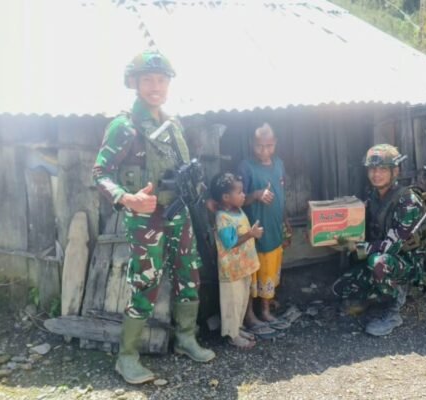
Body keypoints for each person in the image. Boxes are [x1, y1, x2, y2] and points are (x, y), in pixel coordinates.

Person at [93, 50, 215, 384]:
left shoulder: (172, 122)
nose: (155, 86)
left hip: (179, 212)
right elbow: (100, 172)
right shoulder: (125, 126)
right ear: (134, 82)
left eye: (161, 80)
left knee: (189, 274)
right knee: (145, 284)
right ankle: (127, 357)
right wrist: (125, 198)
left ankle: (186, 339)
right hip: (146, 218)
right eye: (147, 79)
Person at [332, 144, 426, 337]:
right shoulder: (372, 197)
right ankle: (376, 298)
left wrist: (356, 247)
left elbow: (392, 246)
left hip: (404, 263)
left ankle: (394, 309)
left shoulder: (408, 201)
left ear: (395, 171)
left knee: (379, 262)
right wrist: (333, 237)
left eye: (382, 169)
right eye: (372, 169)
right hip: (378, 257)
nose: (376, 174)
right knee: (341, 288)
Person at [238, 123, 292, 336]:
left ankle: (266, 310)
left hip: (274, 226)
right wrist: (256, 194)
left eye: (269, 146)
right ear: (253, 144)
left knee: (270, 270)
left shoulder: (279, 164)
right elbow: (238, 199)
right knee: (252, 272)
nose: (264, 151)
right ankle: (250, 315)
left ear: (275, 144)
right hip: (254, 230)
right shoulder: (246, 167)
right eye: (260, 146)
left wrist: (285, 219)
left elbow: (282, 193)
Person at [211, 172, 263, 349]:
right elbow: (230, 243)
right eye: (239, 192)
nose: (243, 195)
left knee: (241, 300)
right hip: (231, 269)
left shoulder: (238, 211)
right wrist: (250, 234)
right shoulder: (222, 217)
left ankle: (238, 328)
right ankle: (232, 335)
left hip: (244, 266)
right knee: (232, 303)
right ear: (226, 197)